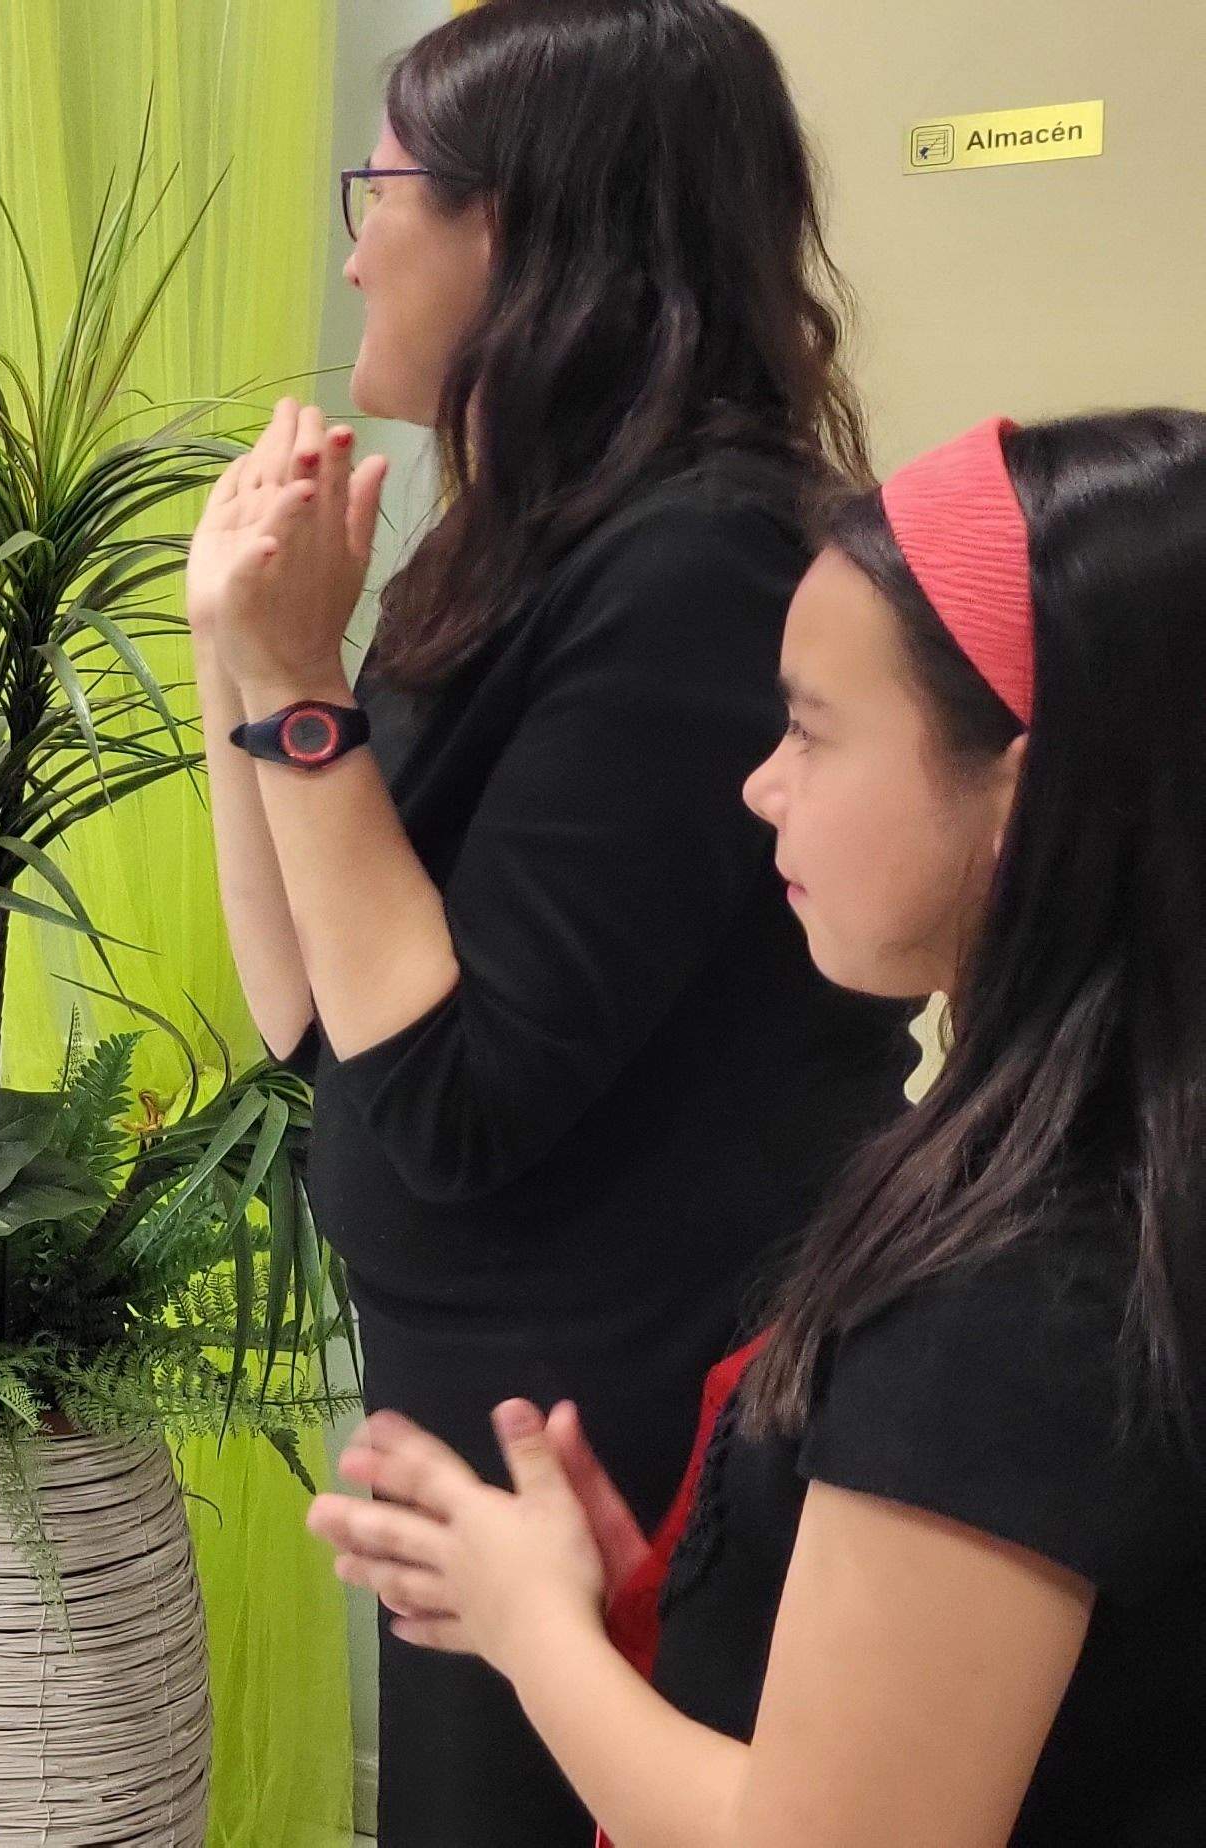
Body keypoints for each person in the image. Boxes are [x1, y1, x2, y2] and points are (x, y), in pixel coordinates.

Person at [180, 5, 919, 1838]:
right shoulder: (515, 537)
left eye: (385, 190)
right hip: (485, 1374)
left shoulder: (700, 562)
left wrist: (298, 692)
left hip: (627, 1411)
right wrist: (235, 658)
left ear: (523, 230)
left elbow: (453, 1094)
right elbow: (307, 1012)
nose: (355, 244)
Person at [308, 408, 1206, 1846]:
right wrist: (666, 1601)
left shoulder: (1022, 1285)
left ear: (1019, 808)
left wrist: (533, 1628)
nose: (759, 783)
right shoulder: (1109, 1191)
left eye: (809, 728)